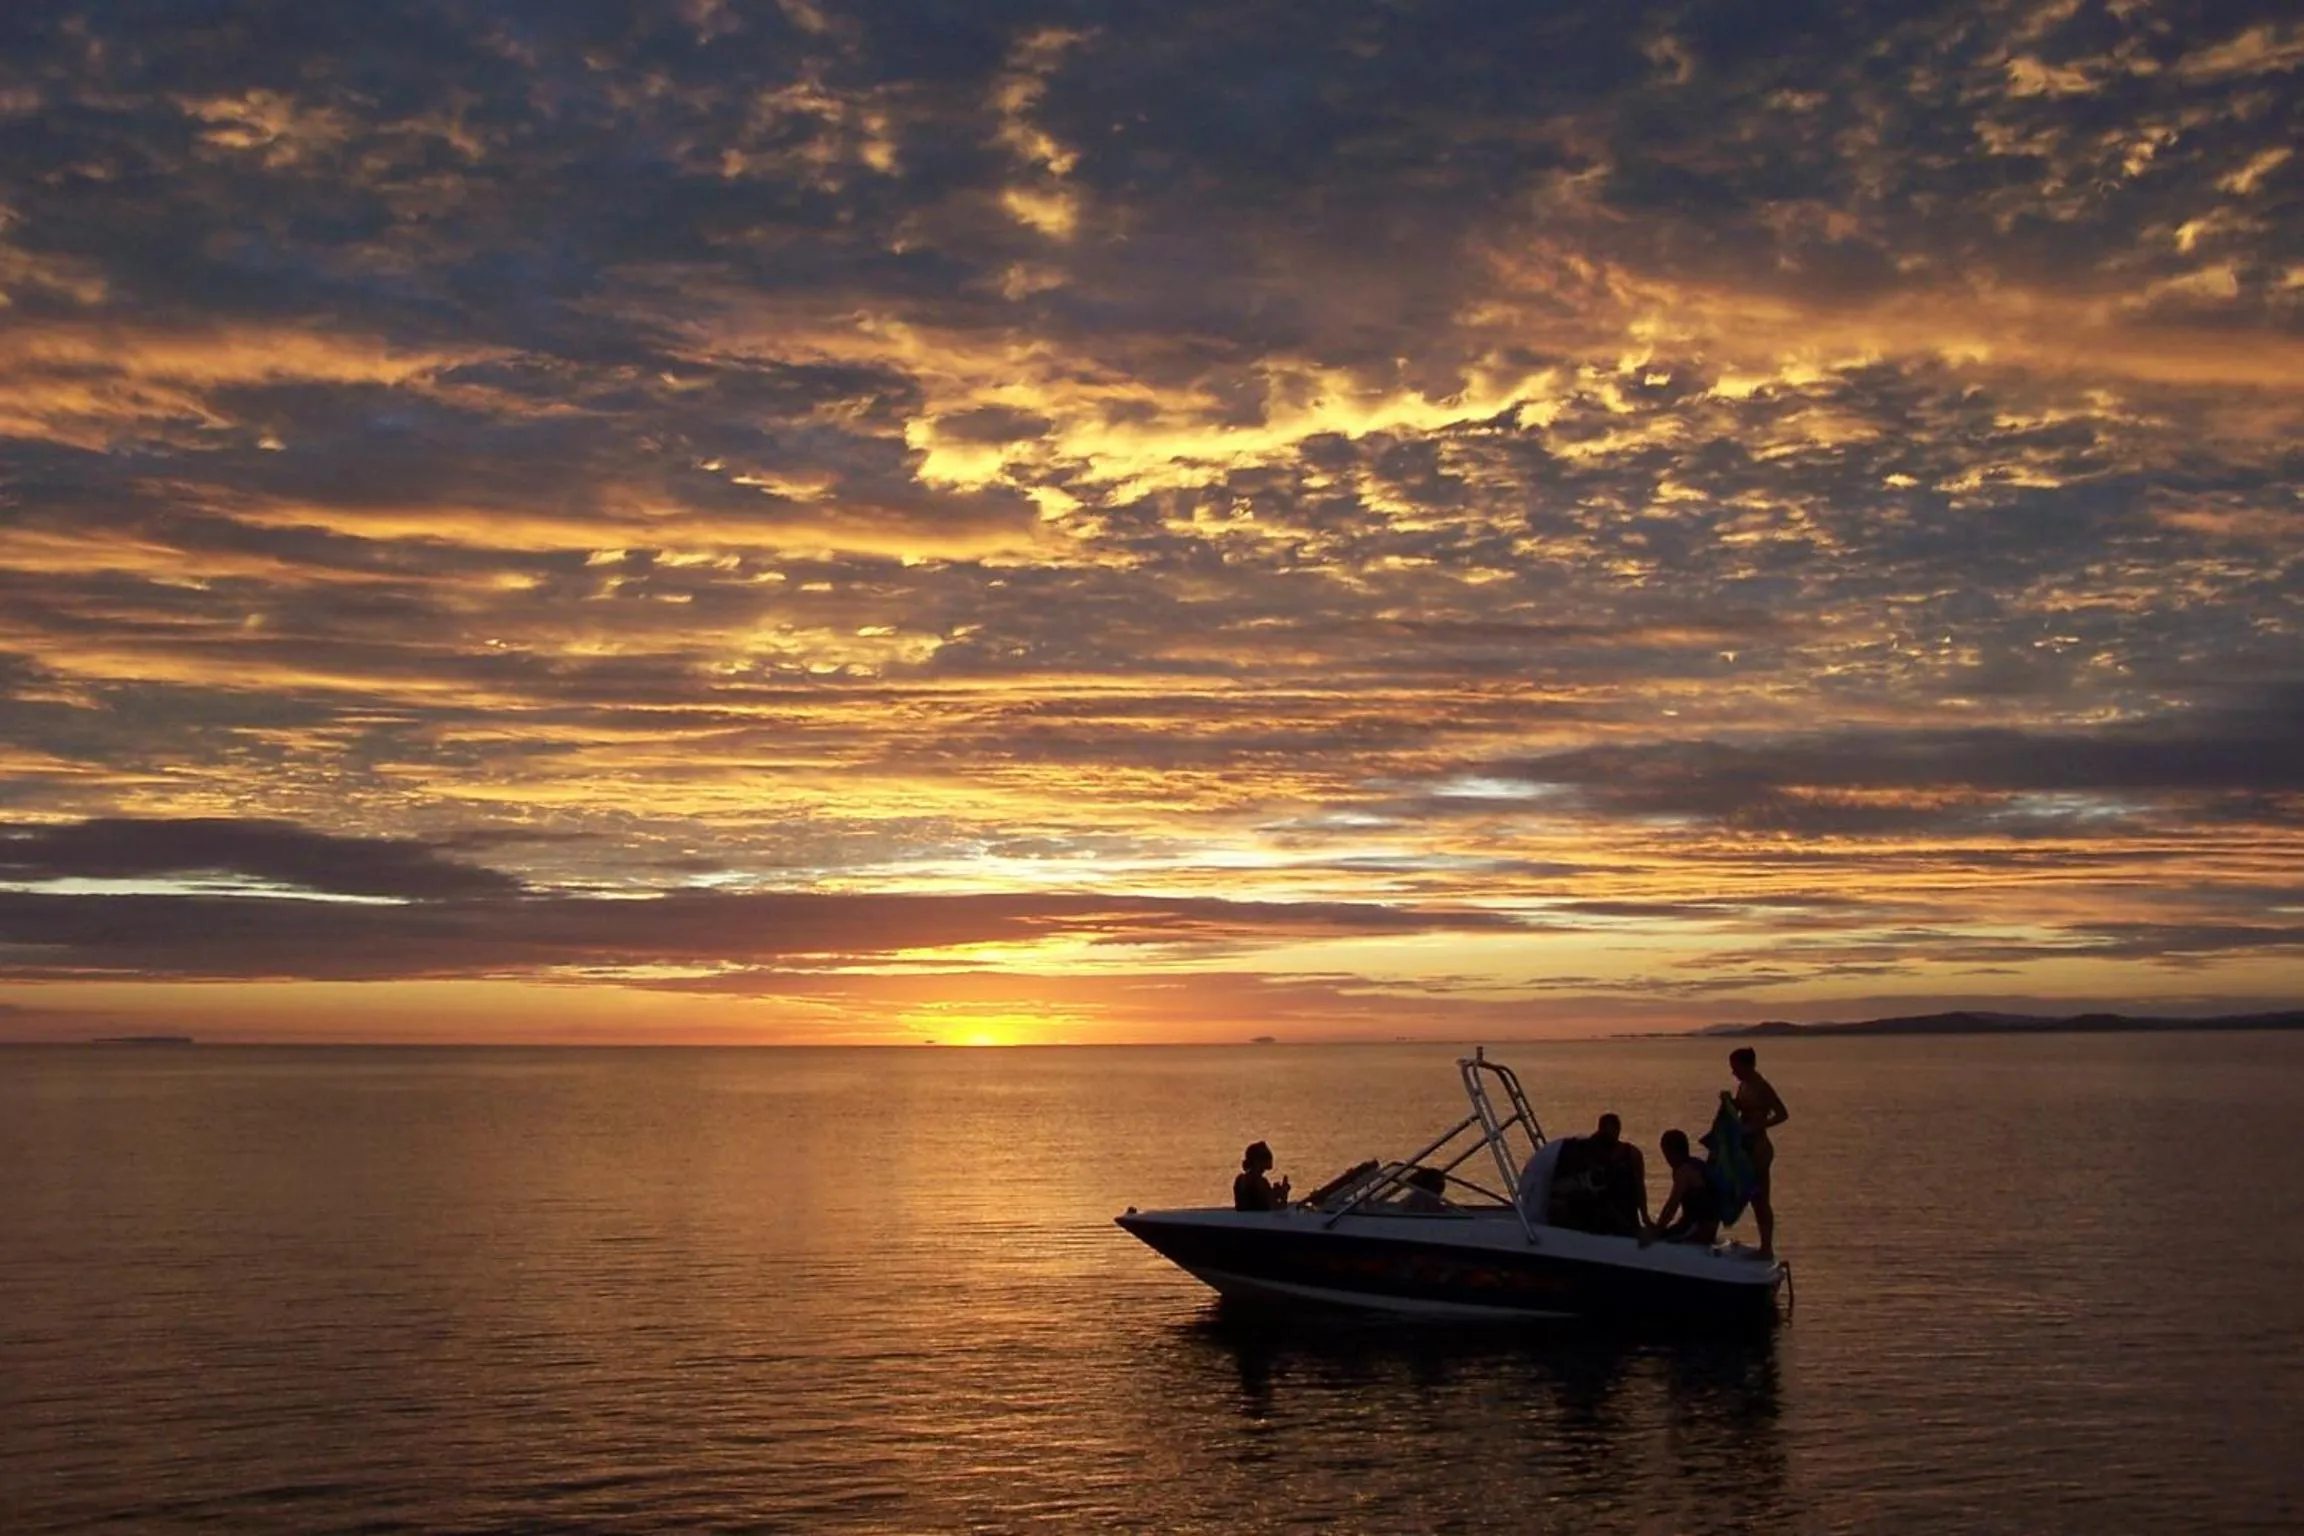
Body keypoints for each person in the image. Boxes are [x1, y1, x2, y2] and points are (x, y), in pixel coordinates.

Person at [1726, 1046, 1789, 1259]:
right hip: (1746, 1147)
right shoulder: (1743, 1085)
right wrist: (1730, 1104)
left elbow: (1782, 1114)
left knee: (1761, 1199)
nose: (1733, 1072)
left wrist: (1758, 1125)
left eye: (1735, 1067)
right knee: (1751, 1197)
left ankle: (1766, 1247)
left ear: (1747, 1065)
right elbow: (1742, 1109)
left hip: (1759, 1148)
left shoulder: (1762, 1086)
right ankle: (1763, 1245)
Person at [1642, 1128, 1721, 1246]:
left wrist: (1657, 1230)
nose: (1666, 1159)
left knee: (1659, 1239)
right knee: (1663, 1233)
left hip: (1699, 1228)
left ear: (1671, 1152)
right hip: (1705, 1225)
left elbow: (1672, 1205)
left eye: (1666, 1154)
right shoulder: (1697, 1164)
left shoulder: (1683, 1171)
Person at [1232, 1140, 1292, 1211]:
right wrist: (1284, 1194)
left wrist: (1275, 1193)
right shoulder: (1261, 1182)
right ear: (1257, 1161)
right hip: (1258, 1220)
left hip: (1243, 1220)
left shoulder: (1240, 1179)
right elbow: (1278, 1209)